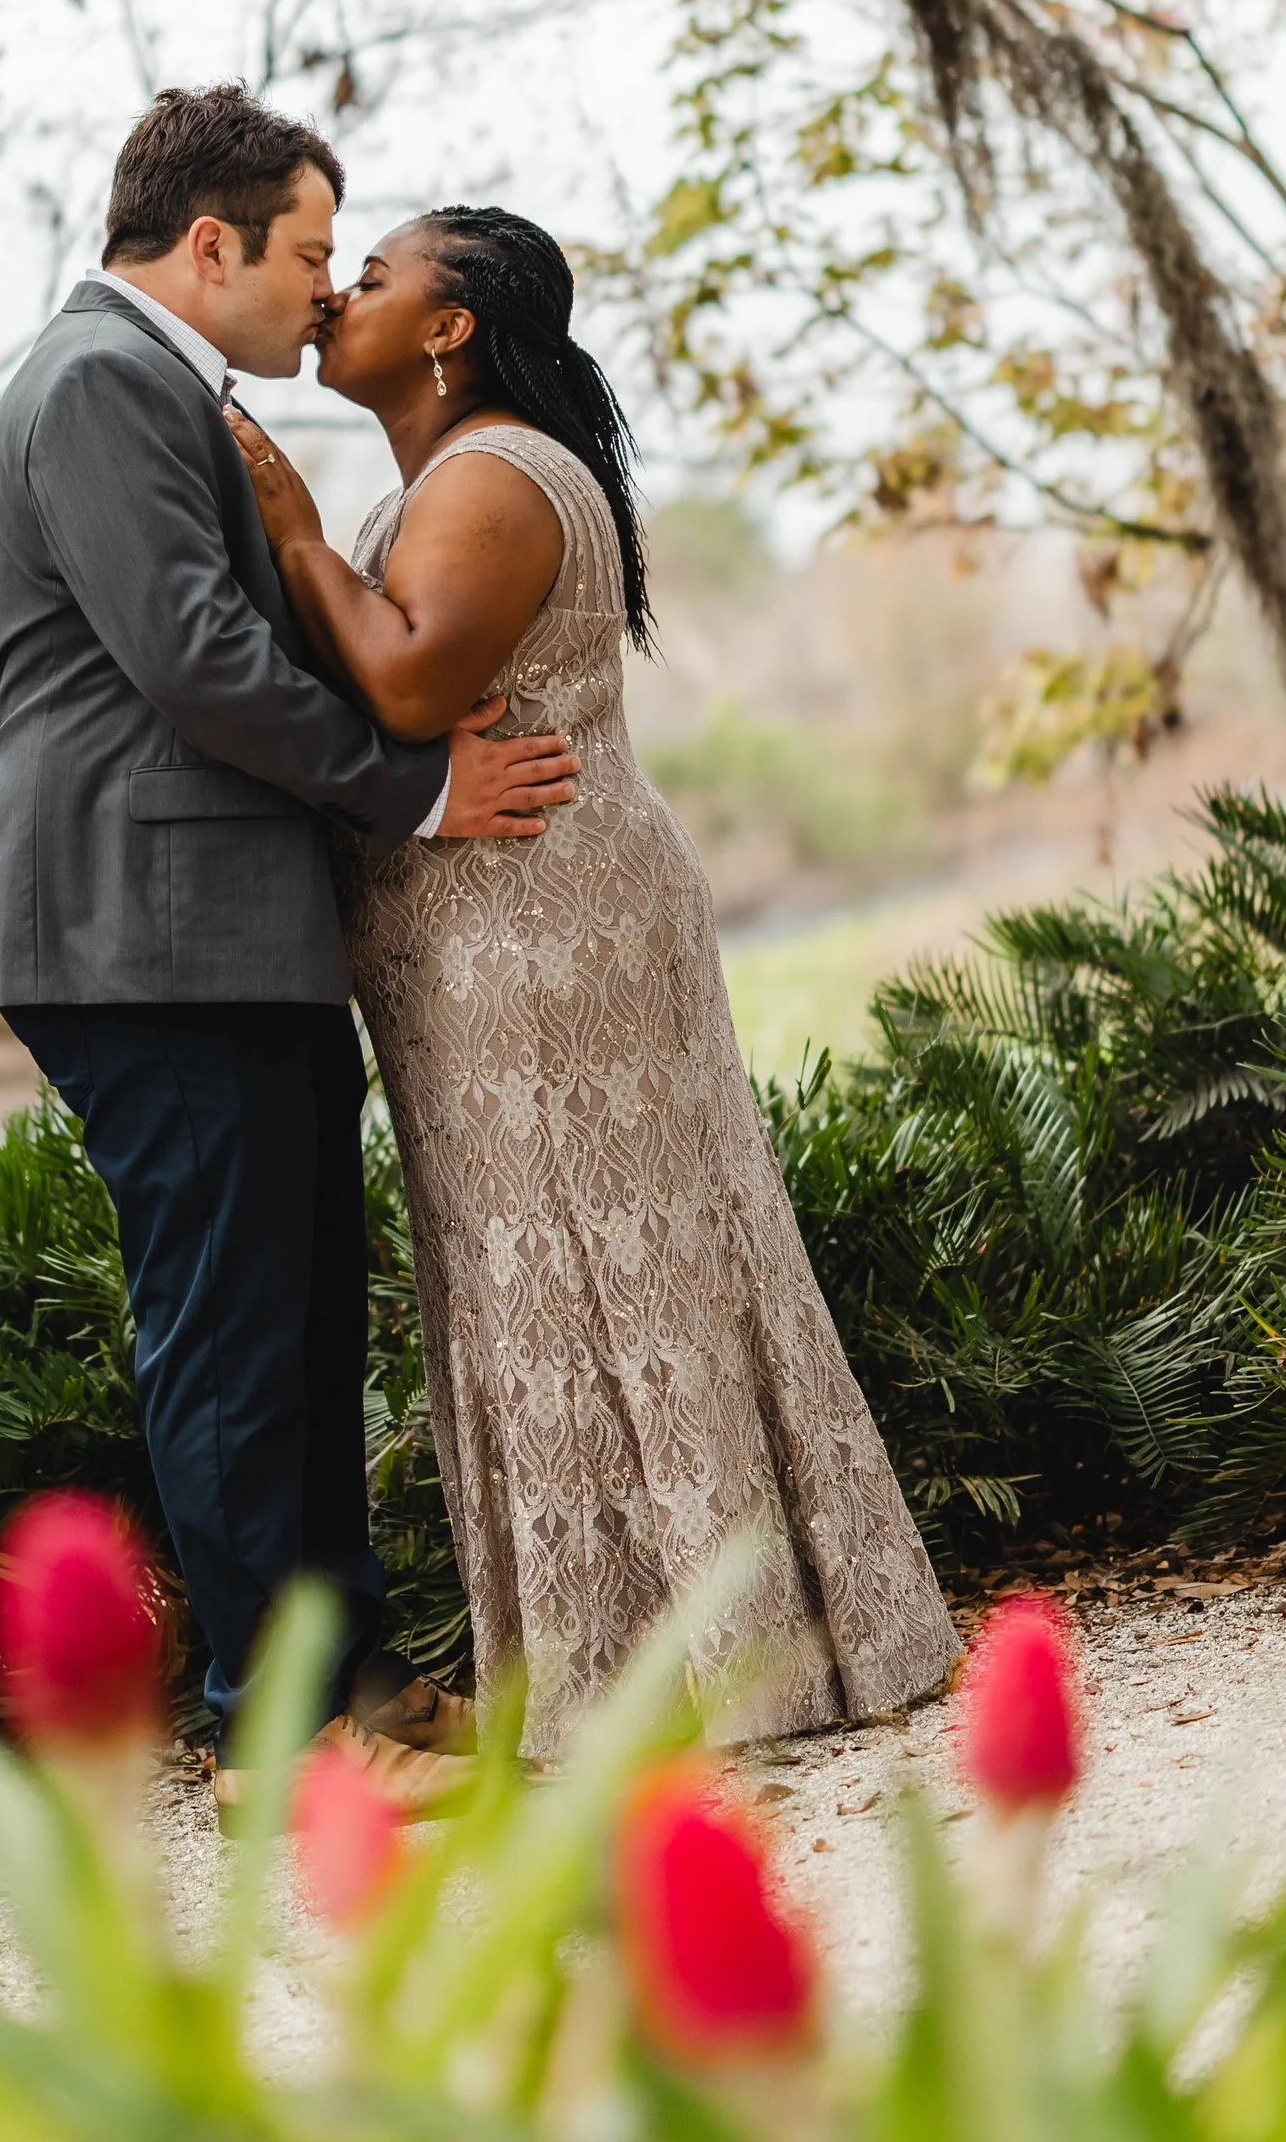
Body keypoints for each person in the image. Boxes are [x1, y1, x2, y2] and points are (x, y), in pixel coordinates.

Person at [228, 206, 952, 1758]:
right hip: (491, 932)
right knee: (555, 1267)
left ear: (449, 327)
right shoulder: (458, 472)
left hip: (543, 933)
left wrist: (291, 523)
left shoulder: (492, 473)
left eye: (378, 272)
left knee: (586, 1264)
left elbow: (414, 678)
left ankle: (679, 1668)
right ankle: (676, 1656)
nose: (342, 287)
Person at [0, 91, 578, 1778]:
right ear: (212, 241)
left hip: (231, 927)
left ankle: (361, 1679)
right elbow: (190, 663)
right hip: (145, 927)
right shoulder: (98, 380)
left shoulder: (171, 393)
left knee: (300, 1320)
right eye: (310, 249)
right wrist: (419, 788)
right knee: (234, 1331)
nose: (323, 288)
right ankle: (276, 1724)